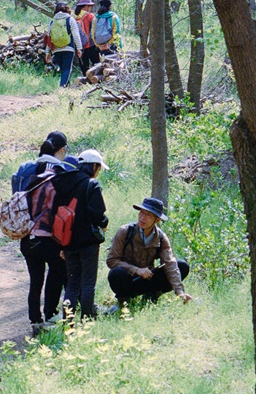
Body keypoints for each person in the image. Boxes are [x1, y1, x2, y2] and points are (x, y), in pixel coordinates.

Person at [19, 132, 77, 335]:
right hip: (49, 238)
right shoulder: (59, 173)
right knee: (57, 272)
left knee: (35, 280)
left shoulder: (27, 169)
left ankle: (35, 321)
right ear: (61, 150)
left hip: (27, 237)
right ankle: (51, 315)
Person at [53, 149, 109, 320]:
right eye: (98, 168)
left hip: (68, 241)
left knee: (72, 283)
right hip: (88, 242)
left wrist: (62, 244)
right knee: (88, 282)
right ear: (93, 166)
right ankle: (87, 319)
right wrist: (104, 224)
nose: (98, 172)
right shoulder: (91, 185)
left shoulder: (63, 183)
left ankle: (68, 321)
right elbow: (97, 214)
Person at [106, 197, 192, 306]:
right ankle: (124, 300)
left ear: (157, 220)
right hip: (128, 278)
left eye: (148, 215)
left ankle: (152, 295)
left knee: (182, 266)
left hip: (147, 278)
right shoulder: (125, 231)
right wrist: (136, 270)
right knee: (116, 273)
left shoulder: (160, 237)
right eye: (141, 213)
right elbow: (111, 260)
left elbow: (170, 263)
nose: (142, 218)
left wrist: (180, 292)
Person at [45, 2, 83, 87]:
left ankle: (66, 86)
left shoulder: (52, 22)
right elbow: (76, 34)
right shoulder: (70, 19)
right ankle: (62, 87)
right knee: (67, 69)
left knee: (63, 69)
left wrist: (47, 52)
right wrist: (79, 48)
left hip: (56, 49)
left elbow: (49, 38)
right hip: (68, 48)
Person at [74, 0, 100, 75]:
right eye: (90, 6)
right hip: (90, 44)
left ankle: (85, 81)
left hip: (79, 46)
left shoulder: (73, 17)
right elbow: (96, 28)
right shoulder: (90, 16)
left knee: (84, 66)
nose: (90, 8)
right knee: (97, 64)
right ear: (86, 6)